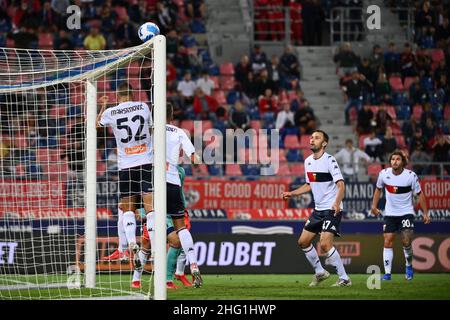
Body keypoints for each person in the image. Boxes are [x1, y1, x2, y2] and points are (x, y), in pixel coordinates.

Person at [281, 130, 351, 287]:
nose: (312, 139)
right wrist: (292, 193)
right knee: (303, 242)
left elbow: (341, 185)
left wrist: (336, 203)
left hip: (332, 209)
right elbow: (308, 185)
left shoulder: (330, 160)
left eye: (316, 138)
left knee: (325, 244)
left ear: (324, 143)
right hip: (318, 210)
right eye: (311, 137)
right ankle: (320, 271)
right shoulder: (308, 161)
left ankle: (344, 278)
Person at [96, 82, 154, 268]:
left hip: (126, 166)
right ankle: (153, 250)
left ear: (117, 96)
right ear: (132, 95)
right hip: (146, 162)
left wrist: (103, 105)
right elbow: (151, 130)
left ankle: (130, 243)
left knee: (127, 208)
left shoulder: (112, 112)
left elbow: (96, 125)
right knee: (150, 208)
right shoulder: (144, 107)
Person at [371, 150, 430, 281]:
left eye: (398, 159)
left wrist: (426, 213)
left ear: (403, 162)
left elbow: (419, 194)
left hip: (406, 213)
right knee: (387, 241)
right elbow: (378, 189)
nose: (394, 162)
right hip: (390, 214)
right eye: (392, 159)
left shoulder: (410, 176)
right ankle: (387, 274)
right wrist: (374, 206)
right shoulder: (384, 174)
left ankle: (408, 265)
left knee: (406, 241)